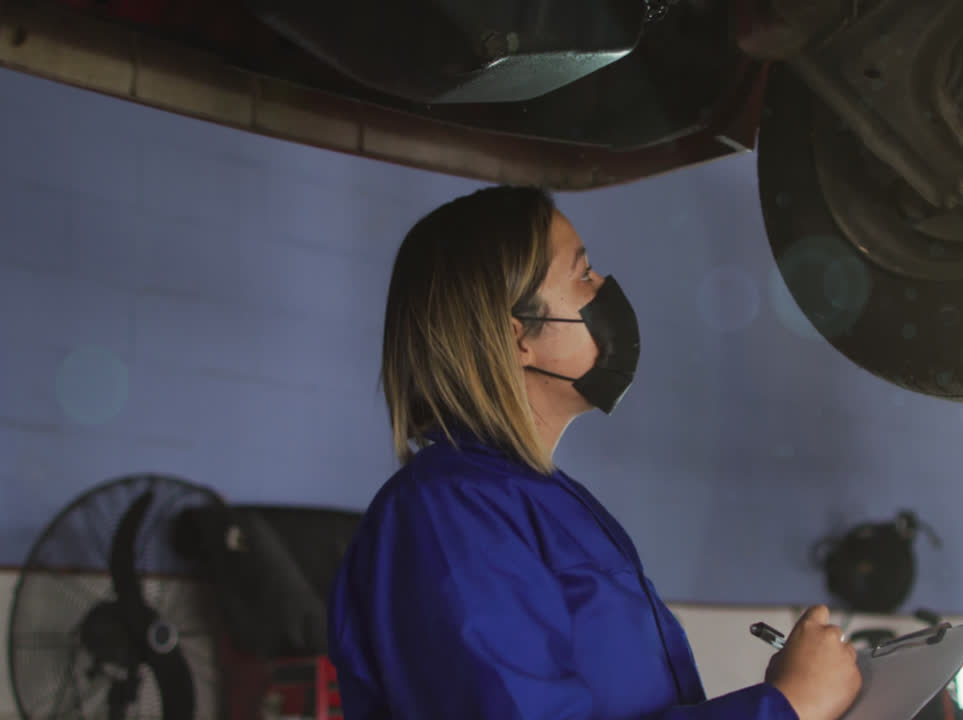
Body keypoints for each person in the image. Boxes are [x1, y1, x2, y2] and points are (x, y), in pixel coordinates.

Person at [326, 186, 863, 720]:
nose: (605, 286)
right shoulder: (450, 512)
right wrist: (786, 705)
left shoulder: (537, 499)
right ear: (518, 339)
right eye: (582, 274)